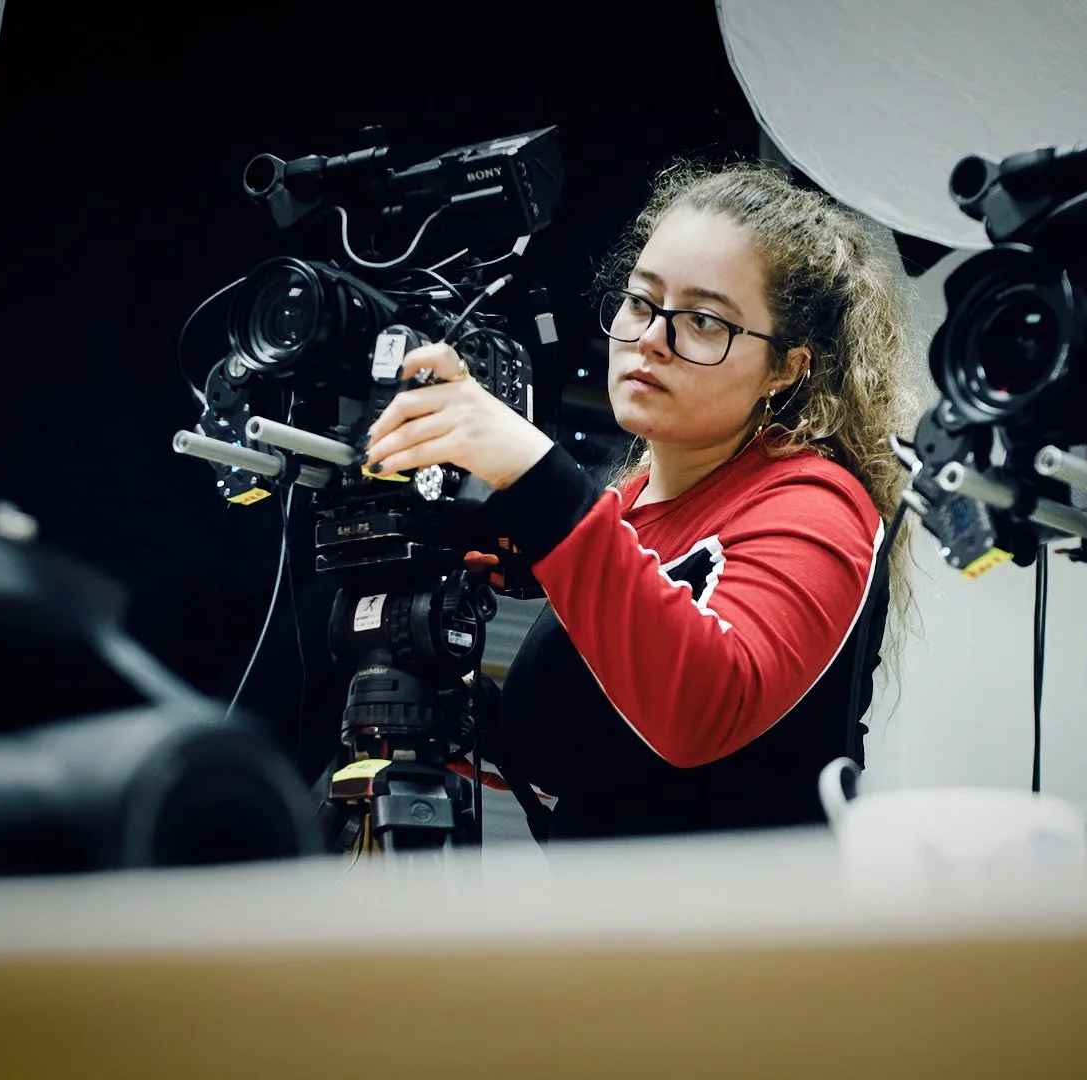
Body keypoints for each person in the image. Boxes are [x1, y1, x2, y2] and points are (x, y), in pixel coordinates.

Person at [362, 160, 919, 839]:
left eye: (705, 321)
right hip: (604, 932)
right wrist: (452, 704)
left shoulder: (818, 503)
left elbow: (699, 712)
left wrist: (538, 478)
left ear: (785, 367)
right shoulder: (621, 512)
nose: (651, 338)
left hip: (754, 937)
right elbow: (599, 753)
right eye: (641, 301)